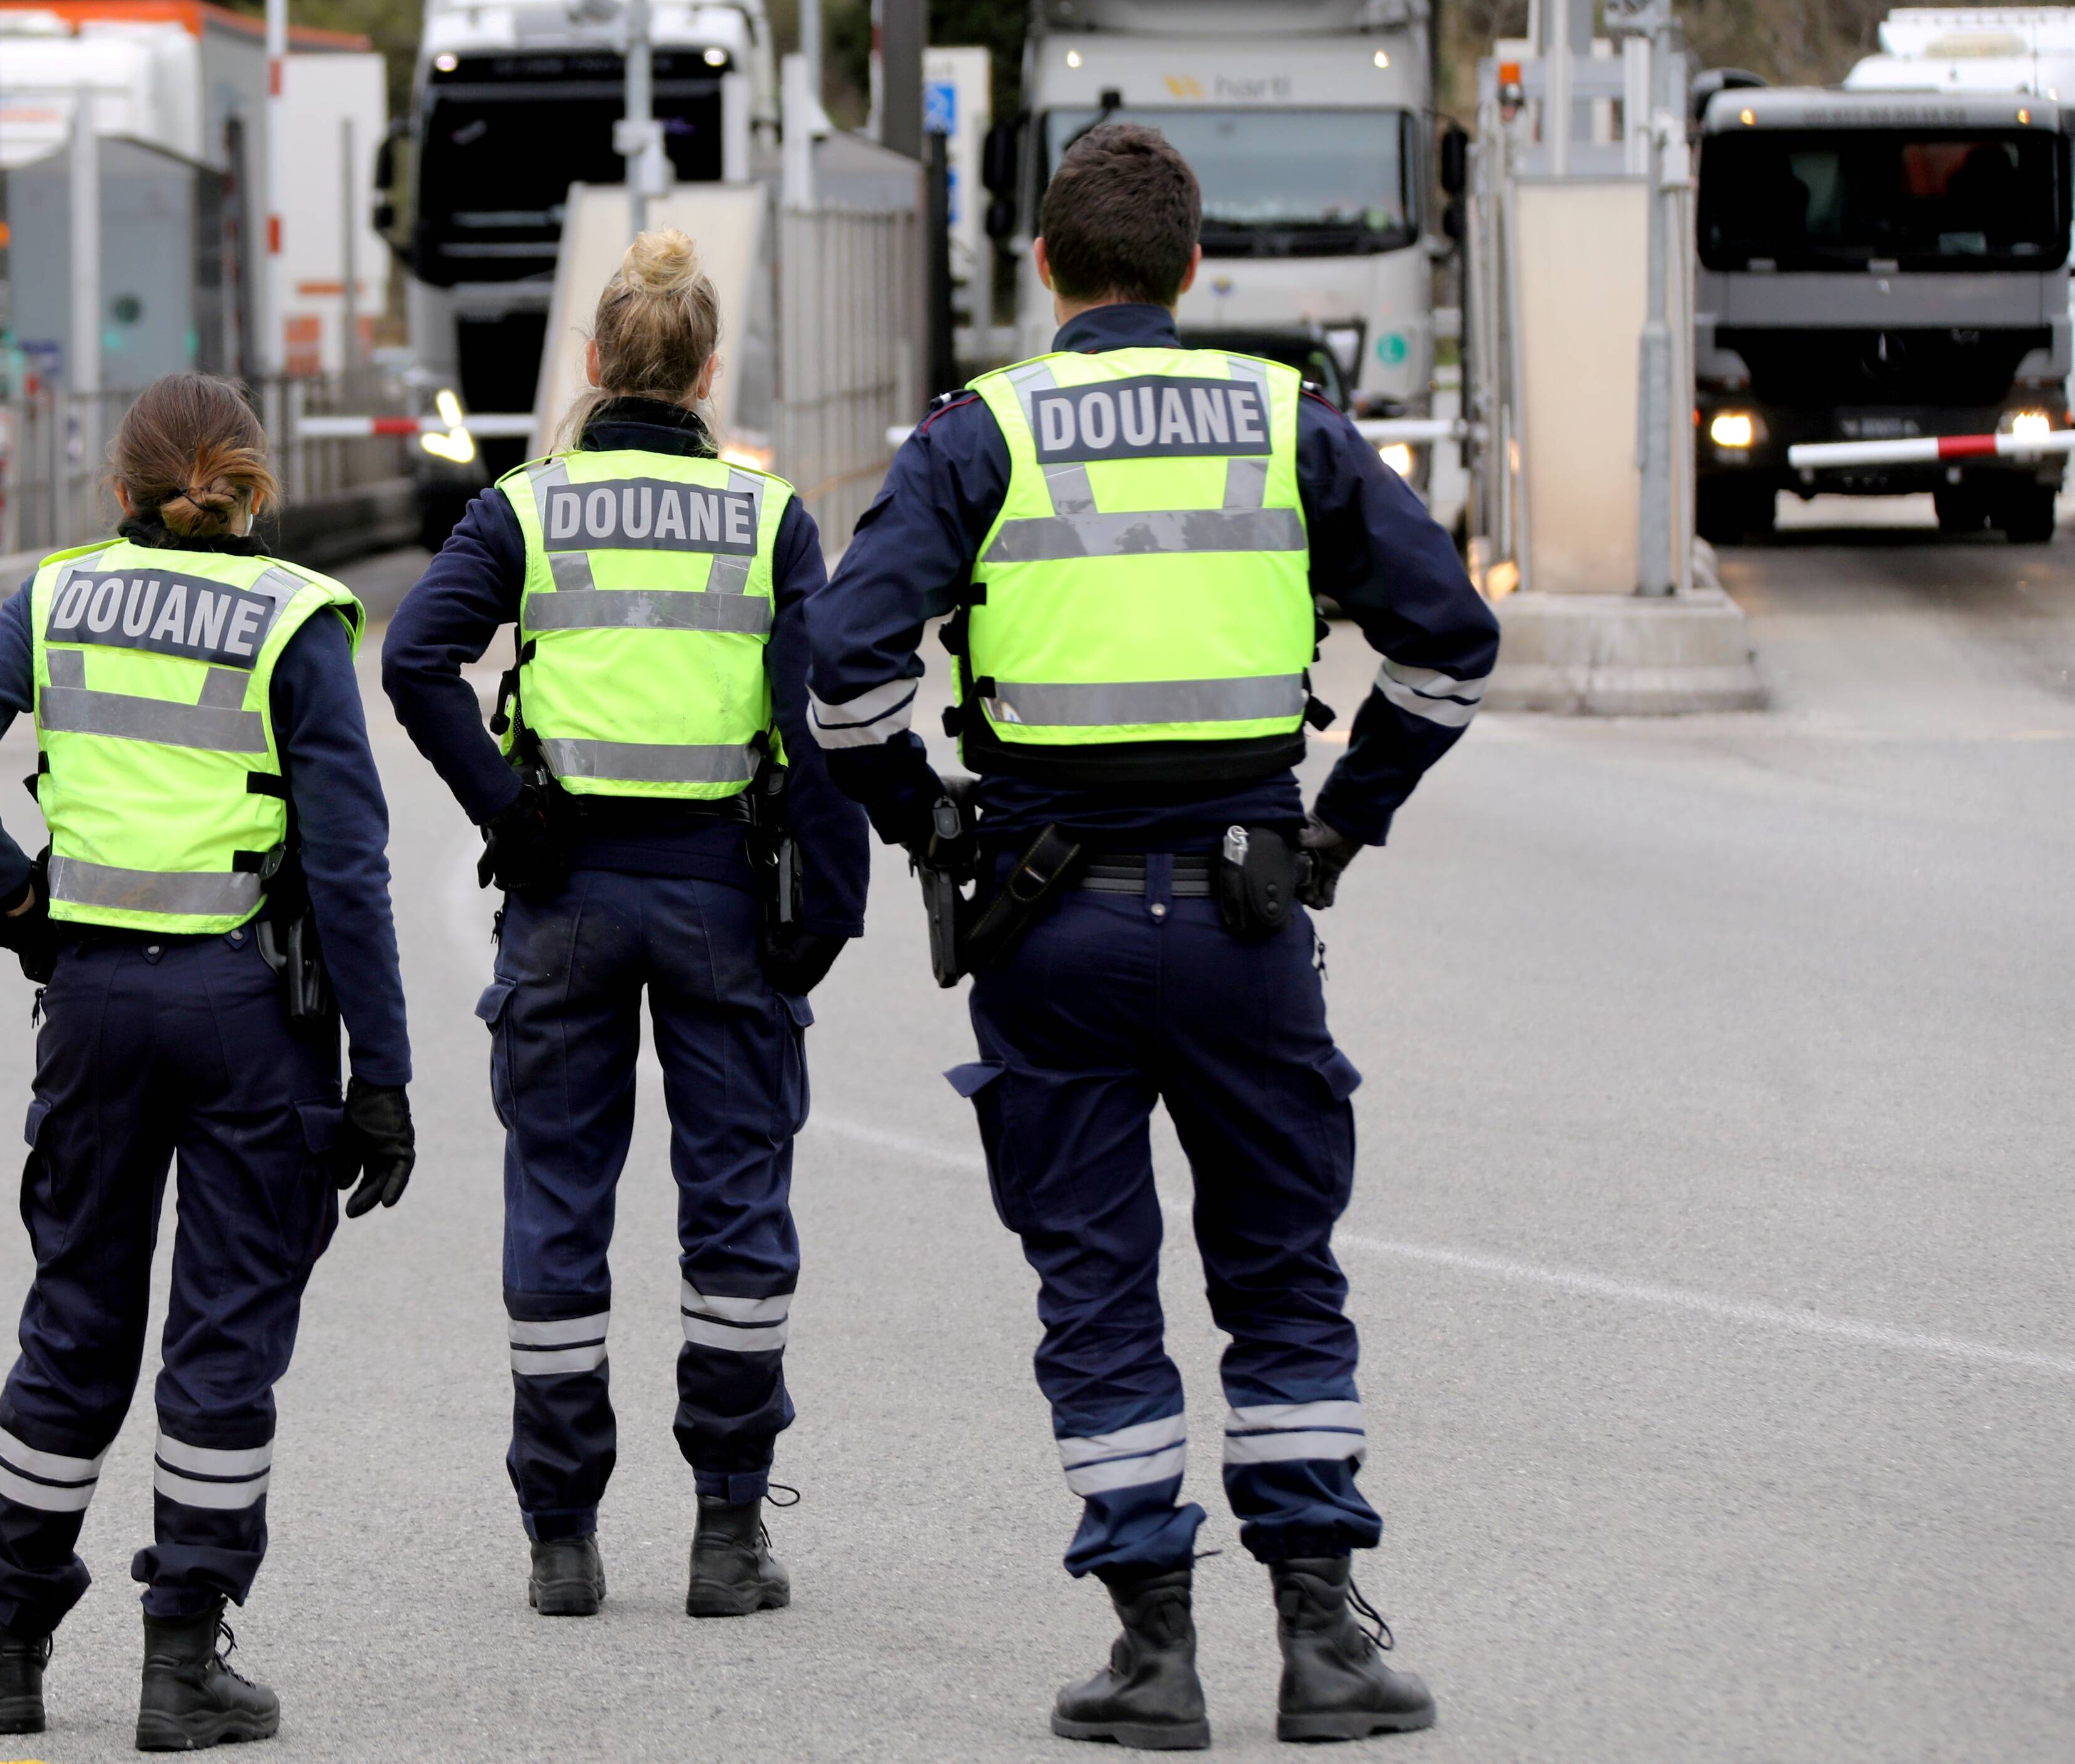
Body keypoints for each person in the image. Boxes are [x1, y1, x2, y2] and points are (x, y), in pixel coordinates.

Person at [805, 125, 1496, 1748]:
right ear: (1193, 271)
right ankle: (1324, 1647)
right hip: (1252, 911)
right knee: (1280, 1271)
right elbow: (1451, 641)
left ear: (1047, 268)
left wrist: (929, 818)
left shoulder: (984, 433)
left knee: (1099, 1282)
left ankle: (1153, 1650)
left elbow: (843, 672)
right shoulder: (1287, 422)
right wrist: (1343, 822)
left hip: (1051, 923)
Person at [0, 372, 415, 1750]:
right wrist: (384, 1073)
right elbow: (351, 869)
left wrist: (19, 895)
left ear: (117, 488)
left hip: (93, 1010)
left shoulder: (57, 596)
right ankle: (181, 1669)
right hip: (252, 1017)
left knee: (75, 1318)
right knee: (222, 1340)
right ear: (252, 483)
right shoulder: (292, 620)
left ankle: (4, 1645)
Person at [382, 227, 870, 1620]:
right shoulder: (766, 519)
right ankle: (726, 1534)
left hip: (566, 898)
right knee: (735, 1221)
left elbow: (413, 657)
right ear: (707, 369)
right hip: (723, 890)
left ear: (594, 363)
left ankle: (560, 1538)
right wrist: (822, 911)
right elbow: (818, 722)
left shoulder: (523, 509)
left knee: (557, 1209)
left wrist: (504, 807)